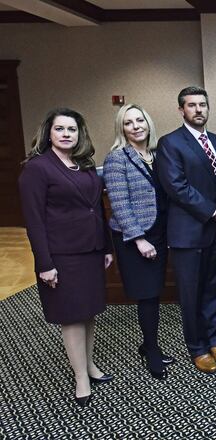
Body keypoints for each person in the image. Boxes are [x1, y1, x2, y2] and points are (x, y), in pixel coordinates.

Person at [18, 108, 114, 407]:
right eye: (60, 129)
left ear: (79, 133)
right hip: (62, 255)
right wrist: (44, 264)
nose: (66, 134)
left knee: (89, 312)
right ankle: (80, 377)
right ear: (49, 133)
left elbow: (97, 208)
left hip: (91, 250)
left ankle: (90, 366)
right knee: (71, 317)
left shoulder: (82, 164)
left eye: (71, 129)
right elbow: (33, 221)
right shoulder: (36, 168)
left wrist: (107, 246)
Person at [156, 86, 216, 374]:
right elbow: (177, 187)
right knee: (191, 293)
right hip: (188, 234)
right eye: (192, 105)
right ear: (181, 110)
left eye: (203, 104)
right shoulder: (170, 143)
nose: (198, 109)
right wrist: (213, 210)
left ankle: (213, 339)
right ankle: (197, 348)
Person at [103, 104, 175, 380]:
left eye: (139, 120)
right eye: (128, 123)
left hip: (158, 232)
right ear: (122, 129)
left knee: (154, 292)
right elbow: (119, 205)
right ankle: (152, 350)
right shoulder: (117, 158)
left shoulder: (157, 155)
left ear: (148, 123)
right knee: (146, 295)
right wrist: (139, 239)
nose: (136, 126)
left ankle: (147, 343)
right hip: (135, 238)